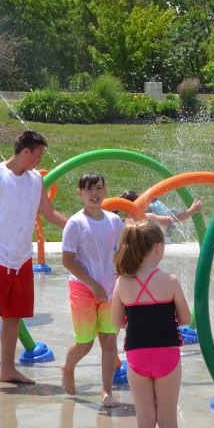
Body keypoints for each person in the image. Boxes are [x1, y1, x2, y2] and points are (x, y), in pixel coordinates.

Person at [0, 130, 68, 392]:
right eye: (38, 155)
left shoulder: (35, 180)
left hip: (22, 258)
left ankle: (7, 369)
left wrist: (77, 227)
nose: (39, 160)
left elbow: (48, 212)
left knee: (14, 316)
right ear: (26, 152)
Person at [111, 220, 191, 428]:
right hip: (167, 354)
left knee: (145, 421)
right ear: (157, 248)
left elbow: (115, 322)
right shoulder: (169, 281)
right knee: (167, 420)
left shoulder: (122, 283)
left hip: (137, 356)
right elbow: (186, 318)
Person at [61, 172, 126, 407]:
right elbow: (67, 260)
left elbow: (121, 252)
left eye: (98, 188)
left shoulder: (114, 221)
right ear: (80, 193)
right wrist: (93, 284)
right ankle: (68, 367)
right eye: (88, 189)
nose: (94, 194)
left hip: (110, 289)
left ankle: (106, 391)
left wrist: (122, 275)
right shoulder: (75, 223)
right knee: (85, 343)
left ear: (106, 191)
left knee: (109, 341)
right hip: (83, 288)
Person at [118, 191, 203, 233]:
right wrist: (192, 210)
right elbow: (173, 219)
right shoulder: (147, 217)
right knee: (172, 213)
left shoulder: (120, 221)